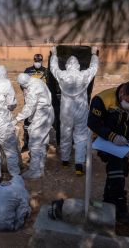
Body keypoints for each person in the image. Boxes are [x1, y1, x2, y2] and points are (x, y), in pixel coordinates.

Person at [87, 81, 129, 223]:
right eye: (128, 101)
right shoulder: (102, 99)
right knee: (116, 170)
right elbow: (92, 122)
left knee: (120, 169)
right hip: (104, 140)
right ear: (122, 93)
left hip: (124, 143)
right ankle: (120, 205)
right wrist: (112, 136)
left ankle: (108, 201)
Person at [50, 46, 98, 175]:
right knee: (81, 136)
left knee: (65, 134)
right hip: (81, 110)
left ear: (67, 65)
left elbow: (53, 68)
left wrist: (54, 54)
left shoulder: (62, 75)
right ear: (77, 65)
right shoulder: (83, 75)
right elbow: (93, 68)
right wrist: (94, 55)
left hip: (66, 111)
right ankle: (79, 164)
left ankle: (65, 160)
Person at [13, 73, 54, 179]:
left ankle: (35, 171)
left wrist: (17, 118)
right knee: (43, 139)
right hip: (46, 113)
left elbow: (30, 107)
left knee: (35, 142)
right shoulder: (37, 81)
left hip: (42, 115)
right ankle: (40, 167)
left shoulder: (32, 88)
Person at [22, 53, 48, 152]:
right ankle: (26, 144)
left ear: (42, 61)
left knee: (42, 123)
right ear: (34, 60)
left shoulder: (46, 71)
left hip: (41, 103)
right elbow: (22, 83)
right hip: (29, 102)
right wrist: (24, 90)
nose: (37, 63)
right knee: (27, 123)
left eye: (39, 61)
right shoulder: (27, 71)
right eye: (36, 61)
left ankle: (42, 143)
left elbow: (50, 86)